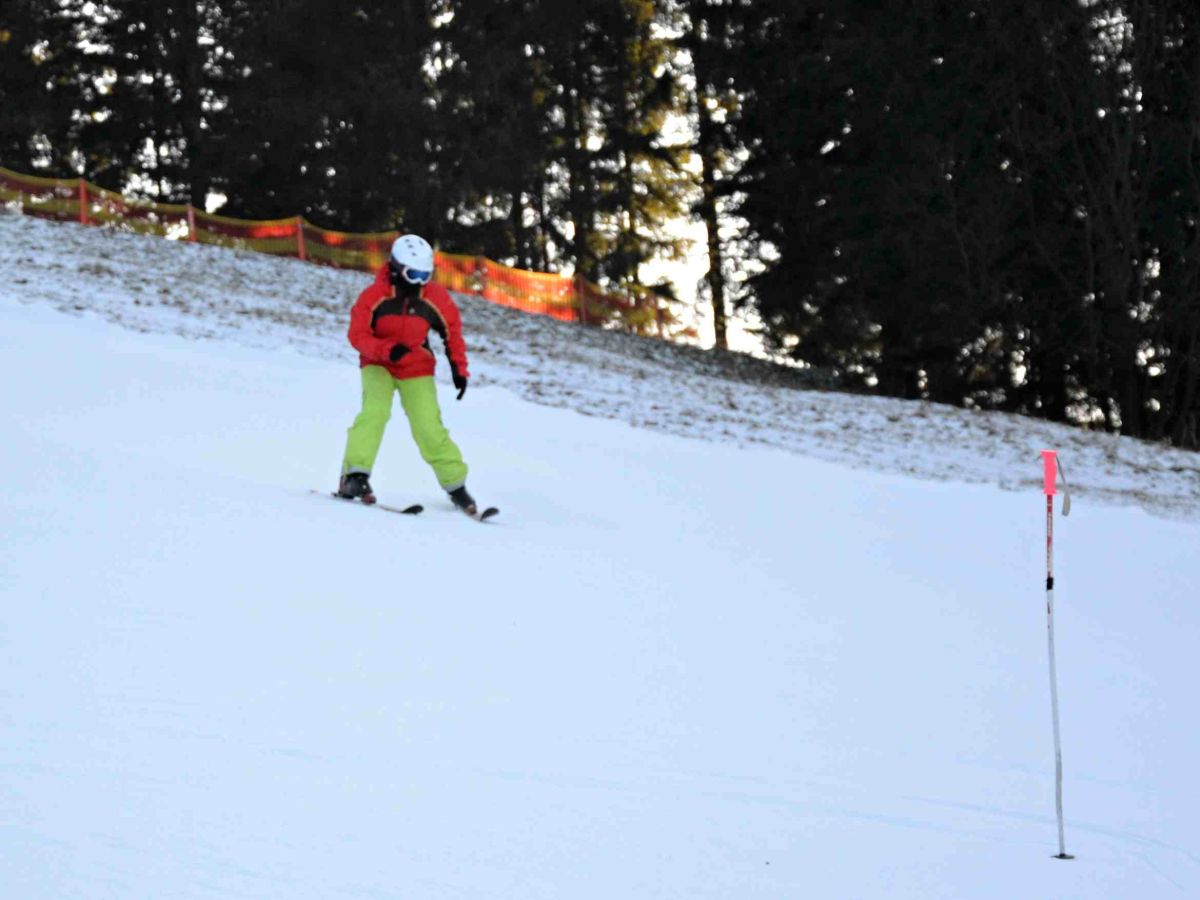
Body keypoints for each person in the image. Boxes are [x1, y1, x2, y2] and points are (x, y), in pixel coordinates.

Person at [337, 233, 480, 515]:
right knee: (375, 412)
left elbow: (452, 332)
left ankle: (456, 485)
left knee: (428, 425)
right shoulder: (373, 296)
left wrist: (459, 369)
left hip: (416, 367)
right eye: (414, 275)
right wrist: (386, 350)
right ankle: (354, 476)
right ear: (397, 268)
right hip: (378, 364)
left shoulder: (434, 297)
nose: (420, 282)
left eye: (426, 275)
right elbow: (357, 335)